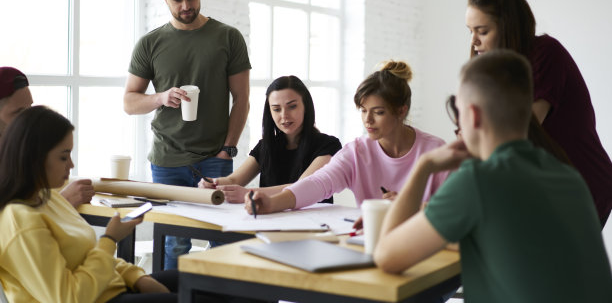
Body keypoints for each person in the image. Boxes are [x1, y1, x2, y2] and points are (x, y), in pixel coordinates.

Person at [374, 51, 612, 302]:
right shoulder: (568, 177)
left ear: (473, 115)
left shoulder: (477, 179)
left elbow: (386, 256)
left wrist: (424, 166)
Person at [123, 0, 251, 268]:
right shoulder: (149, 44)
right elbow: (129, 101)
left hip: (215, 158)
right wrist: (161, 98)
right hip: (167, 161)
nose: (185, 6)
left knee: (222, 240)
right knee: (173, 244)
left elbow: (242, 98)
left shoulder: (228, 37)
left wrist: (228, 149)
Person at [465, 0, 612, 227]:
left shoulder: (545, 54)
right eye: (470, 31)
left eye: (483, 31)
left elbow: (522, 128)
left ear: (508, 26)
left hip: (582, 181)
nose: (474, 41)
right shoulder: (494, 71)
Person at [0, 106, 179, 303]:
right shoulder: (20, 220)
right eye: (63, 157)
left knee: (202, 282)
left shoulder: (48, 198)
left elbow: (88, 255)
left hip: (108, 287)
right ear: (34, 158)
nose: (71, 165)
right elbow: (70, 298)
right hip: (94, 298)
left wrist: (138, 277)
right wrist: (110, 239)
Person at [244, 61, 448, 215]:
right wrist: (272, 203)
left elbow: (460, 206)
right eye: (363, 110)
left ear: (401, 111)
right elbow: (317, 183)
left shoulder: (436, 152)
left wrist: (410, 207)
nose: (367, 120)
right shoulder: (356, 152)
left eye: (378, 112)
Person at [199, 75, 341, 203]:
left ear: (306, 106)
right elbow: (234, 180)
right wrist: (214, 183)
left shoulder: (328, 145)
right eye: (276, 109)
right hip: (271, 221)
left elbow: (302, 188)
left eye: (292, 106)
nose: (284, 115)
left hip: (314, 224)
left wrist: (249, 194)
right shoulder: (266, 146)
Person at [0, 66, 94, 208]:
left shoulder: (24, 158)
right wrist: (65, 200)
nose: (29, 119)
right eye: (19, 113)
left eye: (30, 109)